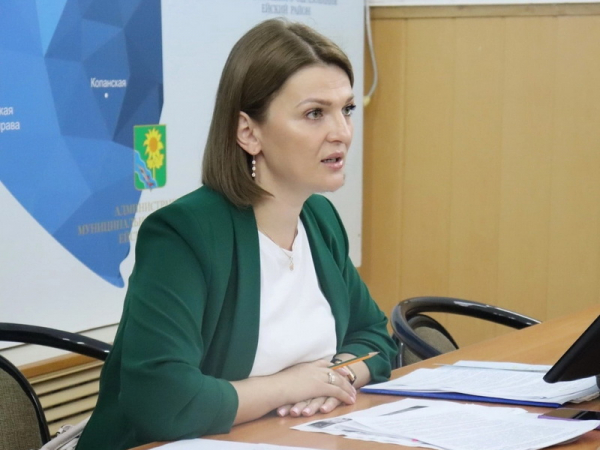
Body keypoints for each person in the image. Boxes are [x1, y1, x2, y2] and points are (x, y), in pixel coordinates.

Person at [76, 17, 397, 450]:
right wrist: (291, 386)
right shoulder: (183, 234)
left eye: (347, 109)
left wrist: (335, 377)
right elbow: (161, 399)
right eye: (314, 113)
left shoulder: (320, 219)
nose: (341, 132)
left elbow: (376, 338)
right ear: (248, 132)